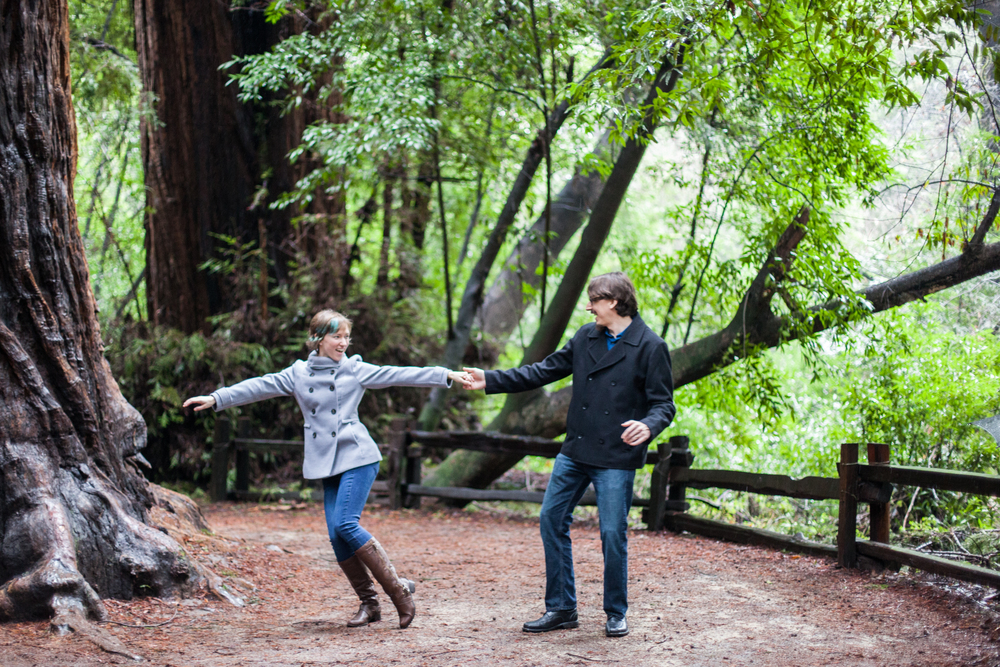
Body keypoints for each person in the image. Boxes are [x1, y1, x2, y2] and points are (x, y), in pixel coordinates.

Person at [184, 310, 470, 629]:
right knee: (336, 535)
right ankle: (370, 604)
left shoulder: (354, 369)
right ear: (318, 339)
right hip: (326, 462)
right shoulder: (298, 373)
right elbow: (259, 386)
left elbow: (399, 374)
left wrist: (446, 375)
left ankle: (399, 591)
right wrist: (217, 398)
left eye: (346, 337)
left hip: (358, 455)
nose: (343, 343)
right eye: (337, 336)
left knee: (346, 524)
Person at [462, 272, 675, 638]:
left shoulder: (651, 346)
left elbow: (664, 404)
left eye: (594, 300)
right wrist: (490, 379)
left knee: (612, 533)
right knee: (551, 519)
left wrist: (649, 425)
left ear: (613, 302)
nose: (588, 307)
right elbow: (542, 371)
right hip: (576, 450)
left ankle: (616, 612)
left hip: (616, 456)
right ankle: (561, 607)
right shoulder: (585, 336)